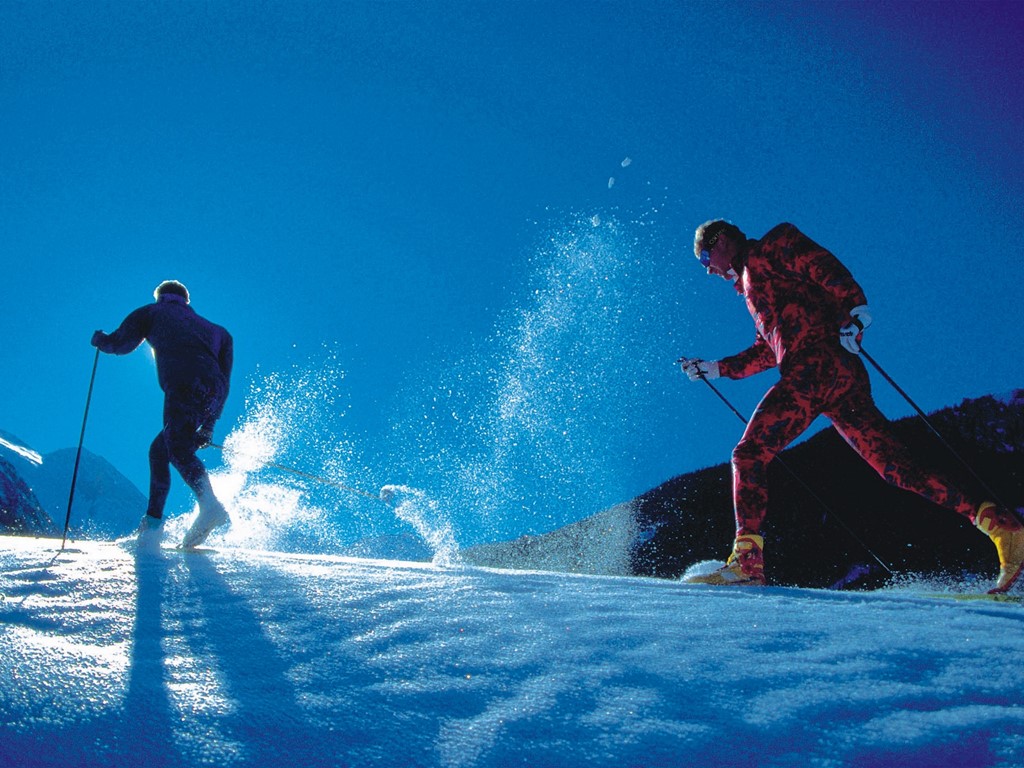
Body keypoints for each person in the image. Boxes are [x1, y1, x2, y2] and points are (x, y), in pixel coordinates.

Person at [678, 220, 1023, 593]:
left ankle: (746, 565)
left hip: (815, 366)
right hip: (840, 377)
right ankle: (1002, 527)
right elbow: (767, 350)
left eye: (706, 257)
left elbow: (821, 264)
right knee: (896, 468)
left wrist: (856, 310)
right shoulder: (751, 290)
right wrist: (716, 368)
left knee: (748, 454)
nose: (709, 269)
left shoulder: (773, 247)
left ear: (724, 240)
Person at [92, 280, 233, 549]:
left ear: (160, 297)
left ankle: (210, 507)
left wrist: (102, 341)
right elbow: (224, 381)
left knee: (177, 450)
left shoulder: (152, 312)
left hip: (183, 383)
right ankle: (152, 528)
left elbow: (121, 344)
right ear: (186, 301)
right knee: (160, 450)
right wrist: (208, 426)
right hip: (211, 393)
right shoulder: (220, 333)